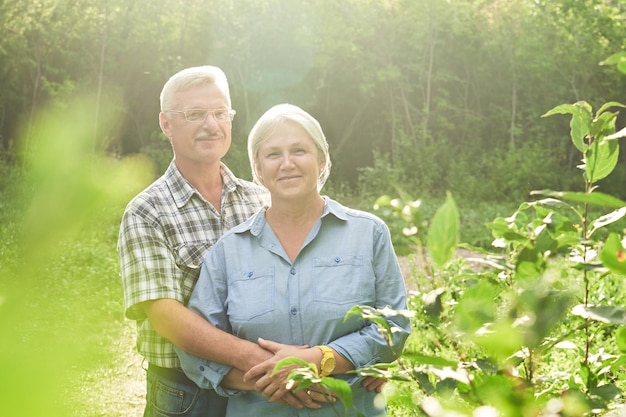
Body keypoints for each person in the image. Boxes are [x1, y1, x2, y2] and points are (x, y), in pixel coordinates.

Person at [176, 103, 411, 416]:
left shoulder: (369, 234)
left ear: (322, 159)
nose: (287, 163)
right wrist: (271, 380)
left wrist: (321, 359)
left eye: (299, 150)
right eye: (273, 154)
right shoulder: (228, 251)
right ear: (258, 168)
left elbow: (393, 326)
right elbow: (194, 353)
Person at [118, 67, 316, 417]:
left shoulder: (262, 200)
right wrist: (262, 363)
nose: (212, 124)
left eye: (220, 113)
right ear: (166, 124)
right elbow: (166, 317)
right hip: (188, 395)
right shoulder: (147, 212)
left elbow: (304, 283)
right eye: (195, 114)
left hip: (264, 392)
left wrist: (354, 359)